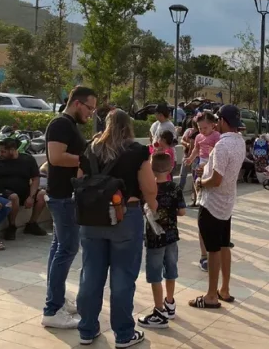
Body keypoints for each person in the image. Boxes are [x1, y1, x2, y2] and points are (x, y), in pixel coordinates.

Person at [76, 109, 158, 347]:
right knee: (122, 277)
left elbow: (80, 179)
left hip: (91, 218)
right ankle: (123, 334)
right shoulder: (136, 151)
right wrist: (154, 210)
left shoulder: (90, 148)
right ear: (129, 126)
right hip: (125, 216)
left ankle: (87, 329)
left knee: (90, 274)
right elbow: (149, 188)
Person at [42, 86, 97, 329]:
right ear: (77, 103)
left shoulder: (69, 126)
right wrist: (87, 159)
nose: (91, 113)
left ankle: (56, 300)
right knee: (67, 249)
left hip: (66, 195)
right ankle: (52, 309)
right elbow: (55, 157)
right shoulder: (61, 124)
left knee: (59, 248)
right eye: (90, 108)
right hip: (62, 196)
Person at [188, 105, 246, 309]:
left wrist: (200, 182)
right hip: (227, 202)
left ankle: (211, 295)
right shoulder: (240, 142)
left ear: (222, 121)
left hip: (212, 203)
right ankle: (225, 289)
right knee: (224, 246)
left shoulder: (223, 145)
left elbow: (216, 179)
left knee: (212, 250)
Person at [138, 153, 187, 329]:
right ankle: (170, 303)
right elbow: (182, 212)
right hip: (172, 236)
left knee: (155, 274)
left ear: (150, 168)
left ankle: (159, 310)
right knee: (171, 269)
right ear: (170, 168)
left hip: (154, 238)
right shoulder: (175, 188)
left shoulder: (147, 189)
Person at [0, 137, 48, 239]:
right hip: (3, 191)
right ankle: (12, 226)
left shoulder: (27, 159)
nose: (0, 153)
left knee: (42, 195)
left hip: (23, 189)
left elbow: (35, 179)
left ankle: (32, 224)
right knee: (14, 197)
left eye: (3, 151)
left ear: (12, 150)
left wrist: (31, 196)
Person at [184, 112, 221, 271]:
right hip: (200, 163)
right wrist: (190, 159)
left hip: (211, 164)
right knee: (199, 187)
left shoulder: (217, 136)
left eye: (205, 127)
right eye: (200, 128)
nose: (203, 130)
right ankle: (200, 199)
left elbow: (218, 154)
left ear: (213, 125)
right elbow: (195, 149)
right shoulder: (198, 137)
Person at [178, 119, 200, 192]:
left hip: (196, 158)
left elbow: (192, 148)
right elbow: (182, 140)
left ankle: (194, 195)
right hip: (187, 155)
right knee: (183, 175)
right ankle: (180, 192)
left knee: (195, 177)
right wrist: (187, 144)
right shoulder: (189, 131)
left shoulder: (201, 133)